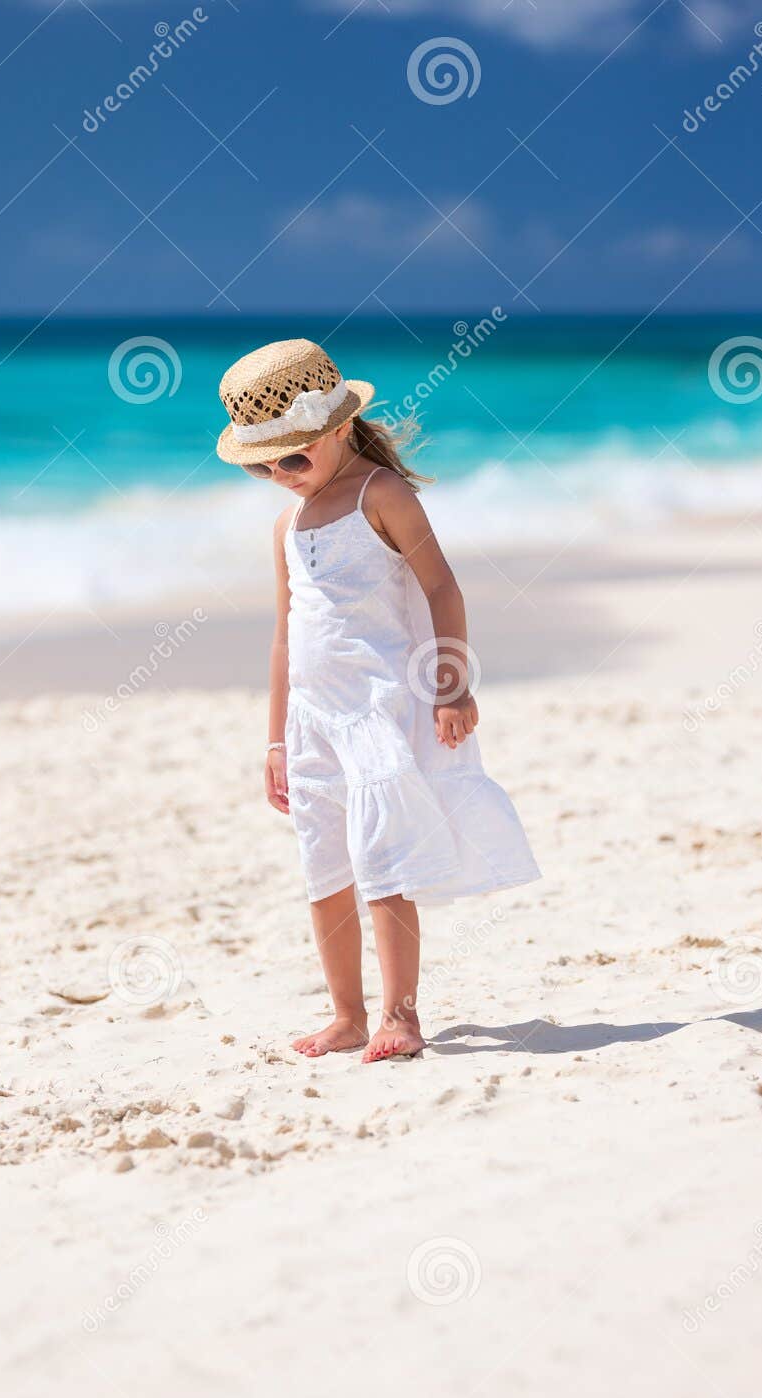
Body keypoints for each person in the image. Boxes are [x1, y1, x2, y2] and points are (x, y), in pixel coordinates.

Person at [216, 339, 540, 1062]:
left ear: (335, 429)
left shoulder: (381, 495)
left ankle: (400, 1015)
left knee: (383, 863)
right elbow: (284, 636)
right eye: (261, 466)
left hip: (380, 710)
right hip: (313, 719)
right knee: (323, 867)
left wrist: (451, 685)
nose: (279, 475)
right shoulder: (287, 523)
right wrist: (275, 741)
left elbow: (441, 589)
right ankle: (346, 1014)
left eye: (292, 458)